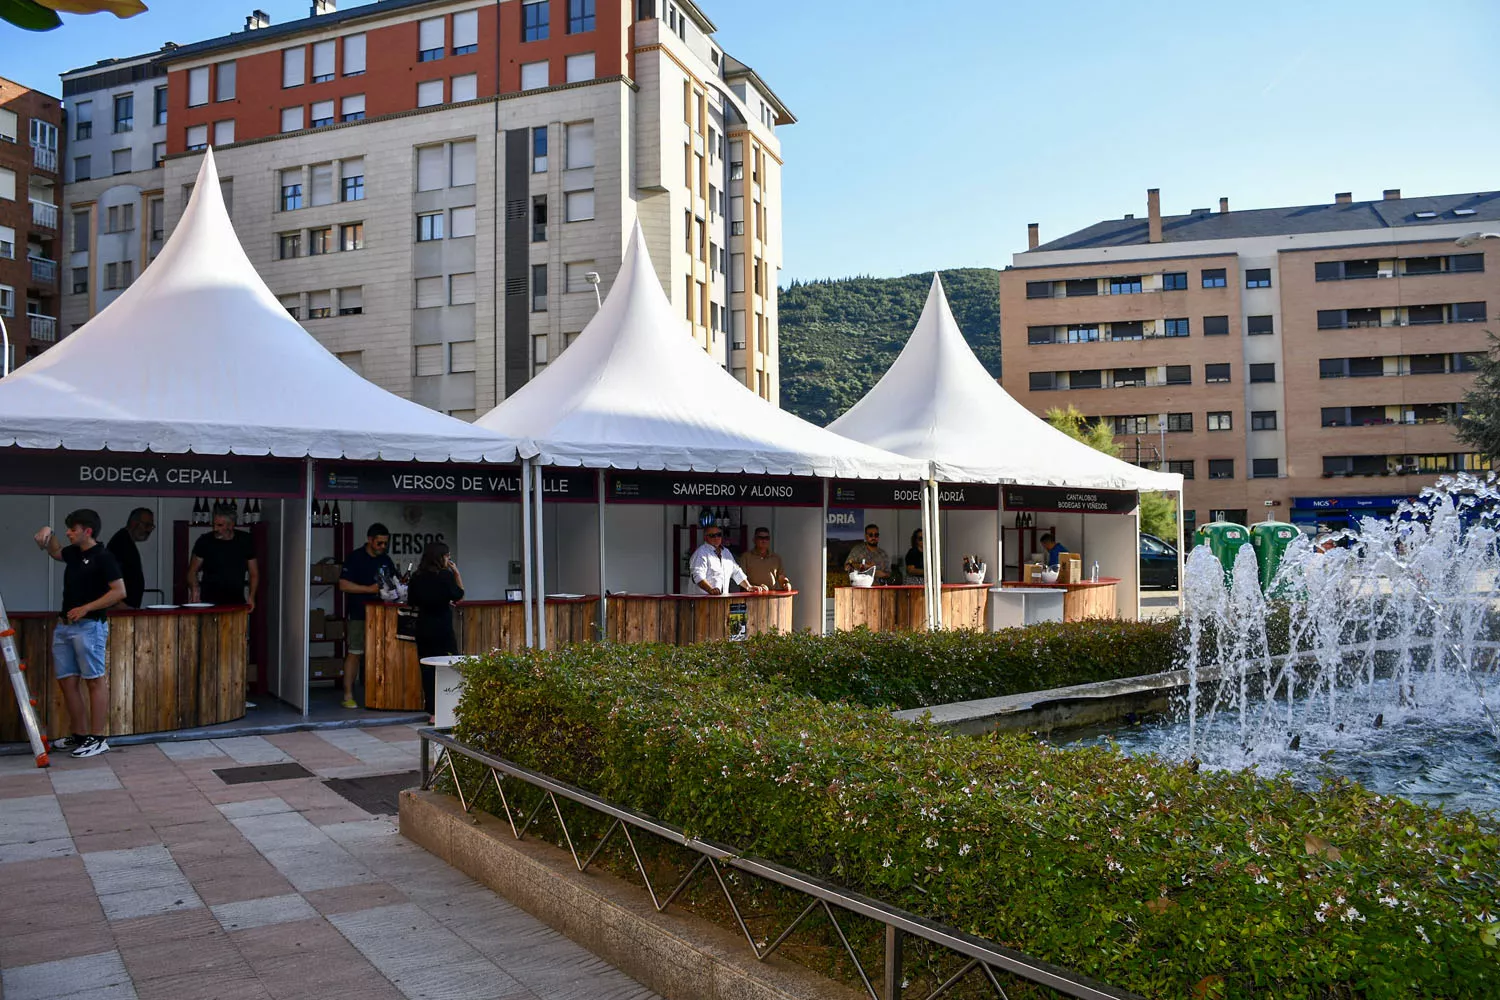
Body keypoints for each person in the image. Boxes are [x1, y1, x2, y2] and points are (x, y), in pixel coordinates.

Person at [34, 509, 126, 758]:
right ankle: (80, 735)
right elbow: (54, 551)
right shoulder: (74, 553)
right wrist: (48, 531)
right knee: (67, 681)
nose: (68, 533)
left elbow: (119, 592)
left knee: (94, 680)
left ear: (87, 531)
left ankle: (98, 738)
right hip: (65, 627)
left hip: (90, 626)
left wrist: (86, 608)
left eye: (72, 529)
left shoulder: (104, 557)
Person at [339, 522, 396, 709]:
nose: (382, 547)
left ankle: (379, 695)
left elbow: (394, 582)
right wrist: (367, 589)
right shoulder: (355, 558)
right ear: (369, 540)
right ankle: (348, 694)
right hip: (358, 613)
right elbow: (343, 585)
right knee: (355, 652)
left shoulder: (386, 560)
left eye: (385, 543)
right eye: (379, 543)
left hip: (383, 614)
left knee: (380, 654)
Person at [406, 541, 464, 718]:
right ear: (441, 557)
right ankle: (450, 708)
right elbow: (459, 594)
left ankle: (433, 712)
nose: (448, 559)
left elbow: (411, 601)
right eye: (447, 556)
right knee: (450, 665)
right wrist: (457, 573)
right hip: (442, 628)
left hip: (423, 627)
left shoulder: (417, 576)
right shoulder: (445, 576)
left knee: (428, 670)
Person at [189, 506, 258, 611]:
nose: (215, 529)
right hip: (208, 602)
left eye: (220, 525)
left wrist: (251, 597)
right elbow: (192, 571)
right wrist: (195, 588)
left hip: (235, 601)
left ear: (231, 525)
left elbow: (254, 573)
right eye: (214, 524)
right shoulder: (204, 541)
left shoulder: (245, 541)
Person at [689, 526, 765, 595]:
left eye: (719, 535)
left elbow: (736, 572)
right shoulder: (701, 553)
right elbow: (698, 576)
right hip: (703, 601)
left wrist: (749, 587)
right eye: (712, 536)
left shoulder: (726, 552)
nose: (716, 538)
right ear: (705, 538)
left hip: (722, 600)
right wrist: (710, 590)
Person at [106, 507, 154, 609]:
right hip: (121, 608)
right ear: (133, 523)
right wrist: (118, 603)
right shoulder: (121, 543)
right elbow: (107, 575)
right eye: (147, 525)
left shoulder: (125, 541)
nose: (149, 530)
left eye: (151, 526)